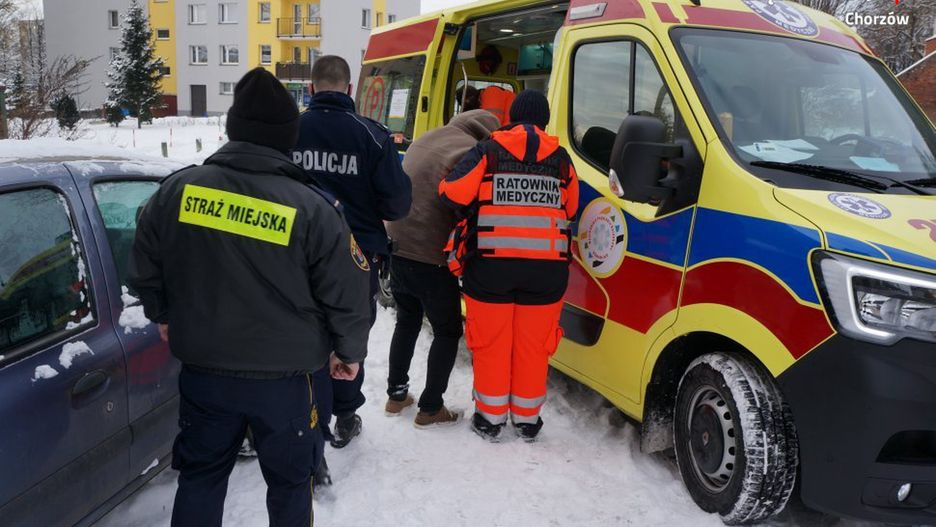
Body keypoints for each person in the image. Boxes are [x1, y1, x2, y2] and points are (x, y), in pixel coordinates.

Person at [128, 67, 371, 526]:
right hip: (288, 382)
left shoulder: (176, 192)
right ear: (287, 138)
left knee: (200, 478)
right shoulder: (314, 209)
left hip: (205, 373)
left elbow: (144, 266)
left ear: (232, 130)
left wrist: (162, 313)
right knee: (291, 484)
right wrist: (348, 352)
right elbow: (349, 293)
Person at [439, 90, 579, 443]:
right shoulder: (562, 160)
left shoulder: (488, 151)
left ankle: (490, 418)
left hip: (491, 268)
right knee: (534, 346)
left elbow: (452, 193)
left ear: (510, 117)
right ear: (544, 120)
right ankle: (527, 420)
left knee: (492, 343)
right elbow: (572, 207)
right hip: (546, 272)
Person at [292, 56, 412, 458]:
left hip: (294, 255)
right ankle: (344, 414)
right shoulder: (373, 136)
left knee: (300, 329)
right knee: (348, 334)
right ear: (348, 90)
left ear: (311, 89)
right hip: (357, 257)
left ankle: (301, 408)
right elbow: (397, 205)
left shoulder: (288, 132)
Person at [384, 109, 501, 427]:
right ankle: (431, 407)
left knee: (407, 320)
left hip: (397, 245)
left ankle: (396, 396)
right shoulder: (469, 150)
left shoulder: (429, 137)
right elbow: (468, 203)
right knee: (448, 330)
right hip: (429, 255)